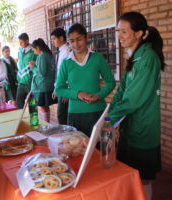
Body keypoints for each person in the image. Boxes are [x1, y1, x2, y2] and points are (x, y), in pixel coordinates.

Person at [108, 12, 165, 200]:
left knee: (143, 179)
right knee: (129, 174)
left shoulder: (147, 58)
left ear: (139, 33)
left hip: (142, 131)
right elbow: (122, 90)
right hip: (129, 130)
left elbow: (132, 101)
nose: (120, 36)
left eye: (124, 32)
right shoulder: (135, 56)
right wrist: (108, 115)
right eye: (118, 31)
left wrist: (109, 120)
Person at [55, 23, 115, 136]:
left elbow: (110, 82)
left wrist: (99, 95)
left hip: (97, 112)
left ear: (86, 37)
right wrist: (78, 94)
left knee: (100, 149)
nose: (76, 44)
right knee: (79, 150)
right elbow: (58, 90)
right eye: (72, 41)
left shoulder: (98, 58)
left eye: (79, 39)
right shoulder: (66, 63)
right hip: (75, 114)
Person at [29, 38, 56, 122]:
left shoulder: (42, 55)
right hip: (44, 84)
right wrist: (35, 64)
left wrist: (32, 67)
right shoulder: (46, 54)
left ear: (37, 47)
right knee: (44, 106)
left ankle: (46, 124)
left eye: (34, 50)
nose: (34, 52)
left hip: (42, 85)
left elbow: (42, 72)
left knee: (43, 106)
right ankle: (46, 123)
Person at [50, 27, 71, 125]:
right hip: (61, 87)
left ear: (61, 38)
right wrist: (56, 88)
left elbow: (69, 72)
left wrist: (68, 91)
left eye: (54, 39)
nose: (53, 41)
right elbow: (59, 72)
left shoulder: (66, 51)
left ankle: (67, 136)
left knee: (62, 115)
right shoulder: (61, 51)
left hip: (65, 88)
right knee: (62, 115)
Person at [16, 33, 37, 108]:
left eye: (21, 42)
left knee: (32, 104)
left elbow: (38, 64)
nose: (20, 44)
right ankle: (21, 119)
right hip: (21, 82)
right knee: (19, 104)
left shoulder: (33, 51)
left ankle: (33, 119)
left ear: (27, 41)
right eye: (19, 42)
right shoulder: (20, 51)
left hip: (30, 83)